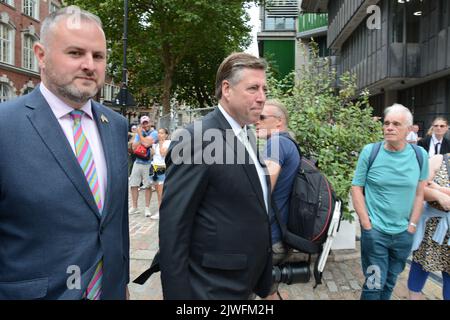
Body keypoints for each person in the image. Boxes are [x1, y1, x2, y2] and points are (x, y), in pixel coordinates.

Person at [0, 6, 129, 299]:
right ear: (41, 55)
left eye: (98, 56)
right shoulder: (4, 126)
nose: (89, 65)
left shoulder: (116, 126)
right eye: (75, 53)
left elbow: (116, 222)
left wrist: (120, 283)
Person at [159, 52, 272, 300]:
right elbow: (173, 232)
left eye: (265, 89)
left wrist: (265, 285)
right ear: (227, 89)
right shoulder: (196, 139)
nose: (262, 98)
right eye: (253, 88)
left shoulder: (247, 135)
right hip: (211, 289)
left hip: (245, 284)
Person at [351, 103, 429, 300]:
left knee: (389, 282)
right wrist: (366, 224)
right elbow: (356, 187)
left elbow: (420, 193)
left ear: (409, 129)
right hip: (375, 234)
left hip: (403, 235)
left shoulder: (420, 155)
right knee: (373, 285)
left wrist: (412, 225)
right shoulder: (371, 152)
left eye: (396, 124)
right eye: (386, 123)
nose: (389, 127)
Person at [255, 100, 301, 300]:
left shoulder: (276, 143)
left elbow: (262, 189)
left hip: (270, 239)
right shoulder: (289, 142)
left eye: (262, 117)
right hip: (279, 237)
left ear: (279, 122)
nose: (256, 120)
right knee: (267, 291)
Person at [407, 154, 450, 300]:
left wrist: (439, 190)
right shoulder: (439, 160)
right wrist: (437, 195)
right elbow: (418, 189)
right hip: (431, 227)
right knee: (420, 267)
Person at [129, 116, 158, 217]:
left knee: (148, 185)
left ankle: (147, 208)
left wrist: (140, 135)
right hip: (137, 162)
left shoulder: (154, 133)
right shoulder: (140, 133)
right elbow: (133, 147)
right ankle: (135, 207)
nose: (145, 125)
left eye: (147, 123)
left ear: (150, 123)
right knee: (133, 184)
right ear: (141, 124)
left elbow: (146, 144)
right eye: (143, 123)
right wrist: (142, 139)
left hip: (148, 163)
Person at [149, 128, 171, 220]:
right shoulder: (155, 144)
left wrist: (161, 142)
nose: (159, 134)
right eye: (158, 133)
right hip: (154, 168)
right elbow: (152, 156)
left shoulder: (168, 143)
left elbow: (163, 154)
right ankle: (161, 210)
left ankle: (161, 212)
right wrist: (152, 148)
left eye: (162, 133)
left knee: (161, 192)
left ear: (166, 135)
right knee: (157, 191)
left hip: (162, 168)